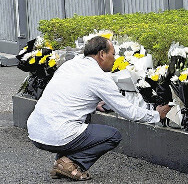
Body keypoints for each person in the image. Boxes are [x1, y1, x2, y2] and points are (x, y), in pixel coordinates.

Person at [27, 36, 171, 181]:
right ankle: (70, 163)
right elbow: (128, 111)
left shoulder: (70, 64)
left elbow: (66, 92)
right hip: (57, 136)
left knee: (85, 117)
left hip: (35, 132)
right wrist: (156, 115)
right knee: (112, 136)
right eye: (113, 54)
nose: (115, 59)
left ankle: (62, 162)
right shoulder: (98, 76)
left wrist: (92, 102)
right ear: (102, 54)